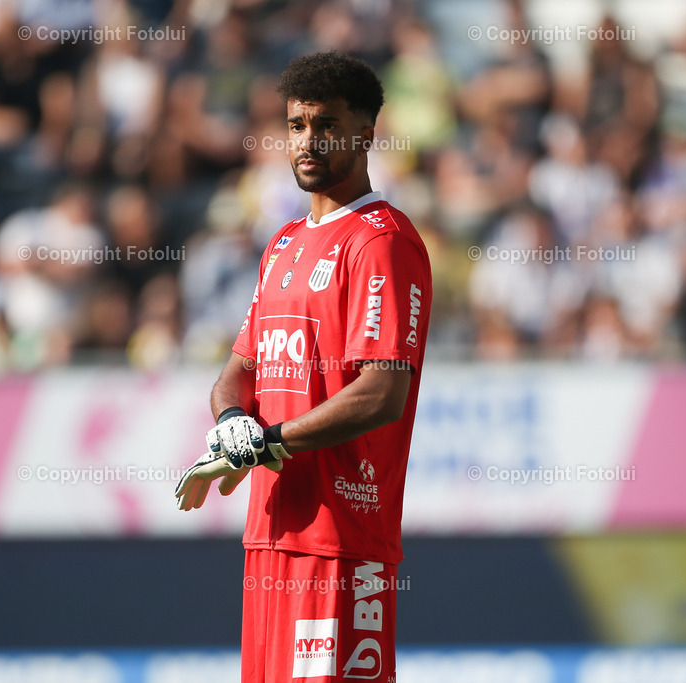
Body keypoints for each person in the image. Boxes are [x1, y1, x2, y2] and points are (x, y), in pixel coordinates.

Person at [175, 51, 431, 683]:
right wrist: (234, 422)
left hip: (343, 539)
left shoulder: (382, 242)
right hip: (270, 536)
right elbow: (237, 373)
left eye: (326, 125)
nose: (308, 141)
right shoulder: (283, 244)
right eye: (296, 126)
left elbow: (381, 394)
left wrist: (266, 442)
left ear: (366, 132)